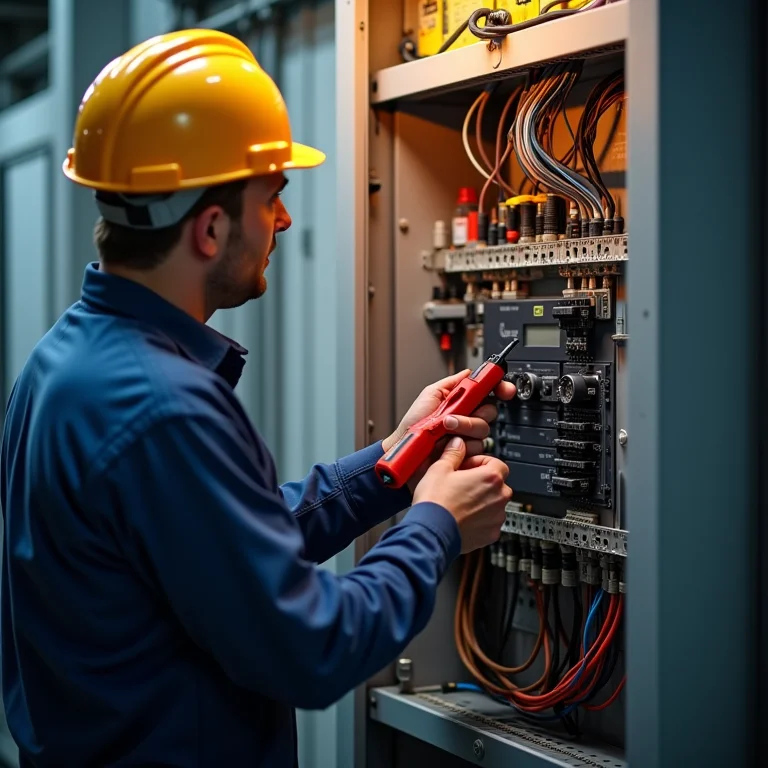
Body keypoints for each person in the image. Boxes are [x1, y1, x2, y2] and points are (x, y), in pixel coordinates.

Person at [0, 29, 515, 768]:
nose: (284, 220)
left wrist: (394, 461)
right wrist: (437, 524)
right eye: (272, 197)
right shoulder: (163, 406)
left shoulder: (64, 362)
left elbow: (219, 547)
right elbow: (313, 647)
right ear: (211, 228)